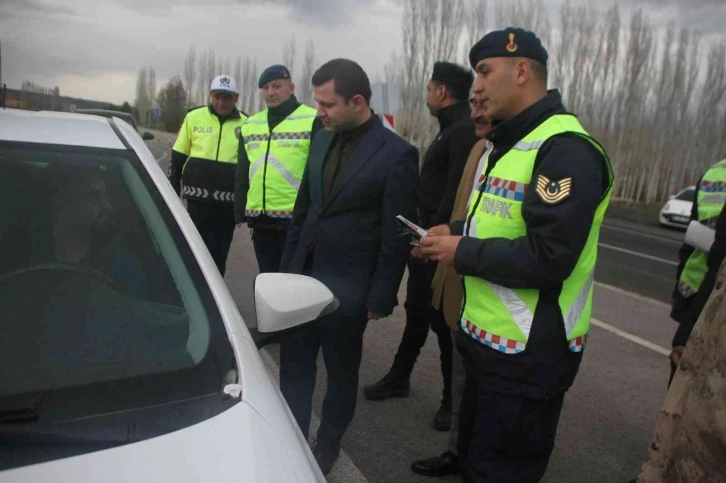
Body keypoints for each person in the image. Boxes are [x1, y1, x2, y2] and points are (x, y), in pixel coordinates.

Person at [419, 27, 614, 482]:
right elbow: (496, 223)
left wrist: (461, 250)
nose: (477, 86)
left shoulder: (564, 149)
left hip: (528, 357)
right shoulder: (505, 144)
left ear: (522, 70)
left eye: (485, 72)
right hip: (485, 344)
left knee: (499, 472)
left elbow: (549, 256)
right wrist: (451, 231)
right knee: (474, 462)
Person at [278, 58, 419, 475]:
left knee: (341, 374)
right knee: (295, 367)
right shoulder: (319, 136)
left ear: (357, 102)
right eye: (317, 102)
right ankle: (290, 437)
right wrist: (285, 272)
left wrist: (381, 294)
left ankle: (328, 444)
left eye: (327, 104)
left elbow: (396, 234)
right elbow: (304, 209)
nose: (318, 111)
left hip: (349, 289)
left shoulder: (397, 155)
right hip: (302, 280)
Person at [363, 62, 479, 432]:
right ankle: (400, 376)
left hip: (439, 245)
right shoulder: (450, 130)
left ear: (442, 91)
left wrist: (431, 238)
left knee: (443, 324)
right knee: (417, 312)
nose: (426, 95)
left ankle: (451, 401)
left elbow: (453, 196)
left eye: (429, 88)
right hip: (426, 239)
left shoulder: (462, 133)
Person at [411, 94, 493, 478]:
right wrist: (445, 234)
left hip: (502, 309)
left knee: (490, 403)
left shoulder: (544, 153)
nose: (475, 110)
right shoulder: (481, 148)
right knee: (461, 379)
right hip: (461, 279)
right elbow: (465, 211)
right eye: (473, 102)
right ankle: (456, 452)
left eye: (484, 103)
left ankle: (472, 457)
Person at [234, 64, 322, 273]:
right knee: (268, 279)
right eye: (266, 88)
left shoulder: (312, 120)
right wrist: (240, 209)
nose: (270, 92)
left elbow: (320, 171)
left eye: (276, 86)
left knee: (295, 279)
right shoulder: (251, 124)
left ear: (291, 88)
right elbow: (242, 170)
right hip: (261, 219)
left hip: (296, 220)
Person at [168, 74, 247, 276]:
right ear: (211, 95)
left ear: (236, 98)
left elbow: (249, 169)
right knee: (191, 254)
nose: (221, 102)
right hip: (196, 202)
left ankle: (213, 301)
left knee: (218, 257)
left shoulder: (247, 124)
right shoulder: (193, 117)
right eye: (217, 96)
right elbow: (178, 158)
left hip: (226, 207)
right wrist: (172, 196)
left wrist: (243, 206)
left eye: (227, 97)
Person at [669, 159, 726, 384]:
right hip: (696, 288)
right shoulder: (714, 173)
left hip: (711, 292)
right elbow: (691, 235)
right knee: (682, 373)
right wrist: (678, 288)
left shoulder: (715, 172)